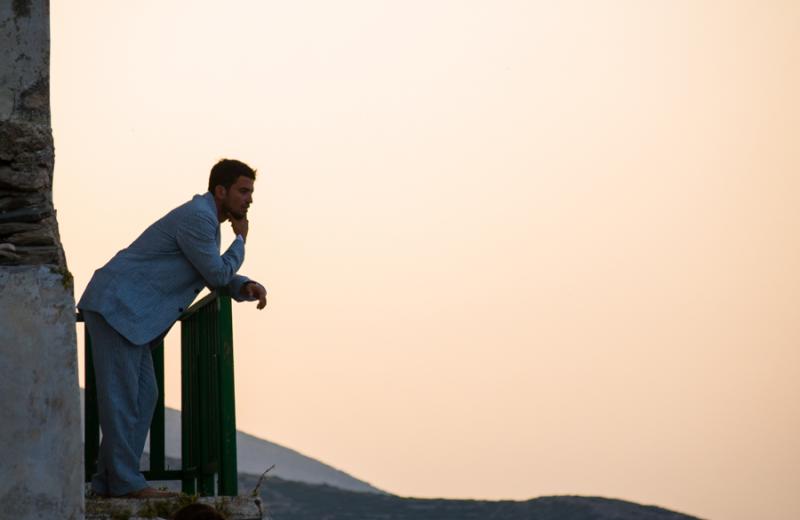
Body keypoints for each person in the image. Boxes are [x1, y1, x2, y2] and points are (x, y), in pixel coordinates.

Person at [78, 158, 268, 498]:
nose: (249, 199)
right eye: (243, 191)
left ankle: (110, 481)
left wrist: (243, 286)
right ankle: (124, 483)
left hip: (129, 315)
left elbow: (209, 270)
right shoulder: (199, 218)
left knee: (143, 397)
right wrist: (241, 242)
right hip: (118, 307)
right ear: (220, 190)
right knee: (122, 400)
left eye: (251, 192)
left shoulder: (207, 221)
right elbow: (216, 274)